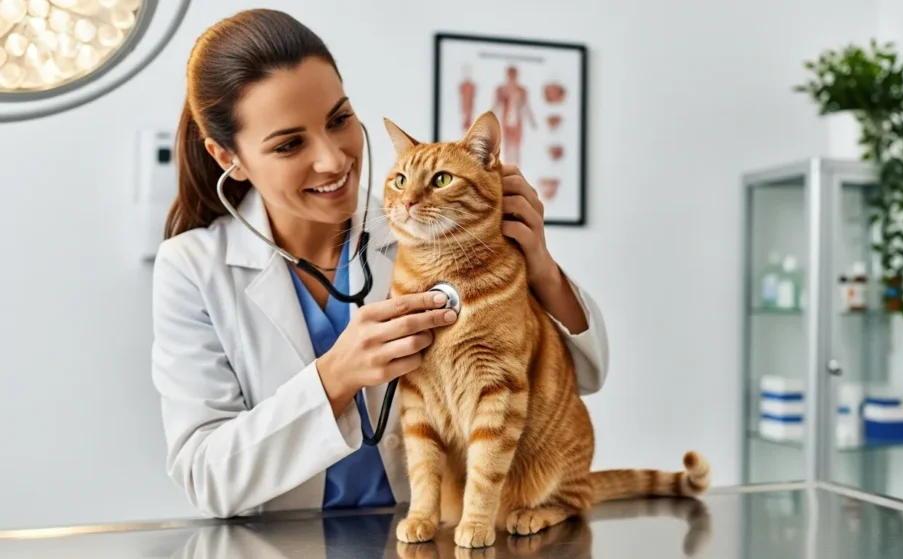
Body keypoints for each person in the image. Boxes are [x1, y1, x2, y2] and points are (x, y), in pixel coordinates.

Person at [151, 9, 610, 520]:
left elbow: (584, 377)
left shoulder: (432, 232)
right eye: (288, 144)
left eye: (339, 120)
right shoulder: (191, 268)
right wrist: (335, 378)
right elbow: (205, 477)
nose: (333, 160)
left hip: (420, 536)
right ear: (227, 158)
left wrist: (539, 265)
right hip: (286, 544)